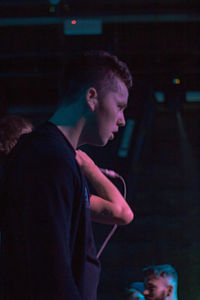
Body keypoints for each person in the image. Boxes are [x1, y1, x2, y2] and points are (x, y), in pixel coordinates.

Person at [0, 50, 134, 300]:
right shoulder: (49, 159)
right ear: (92, 97)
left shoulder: (57, 157)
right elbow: (50, 268)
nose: (122, 120)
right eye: (119, 106)